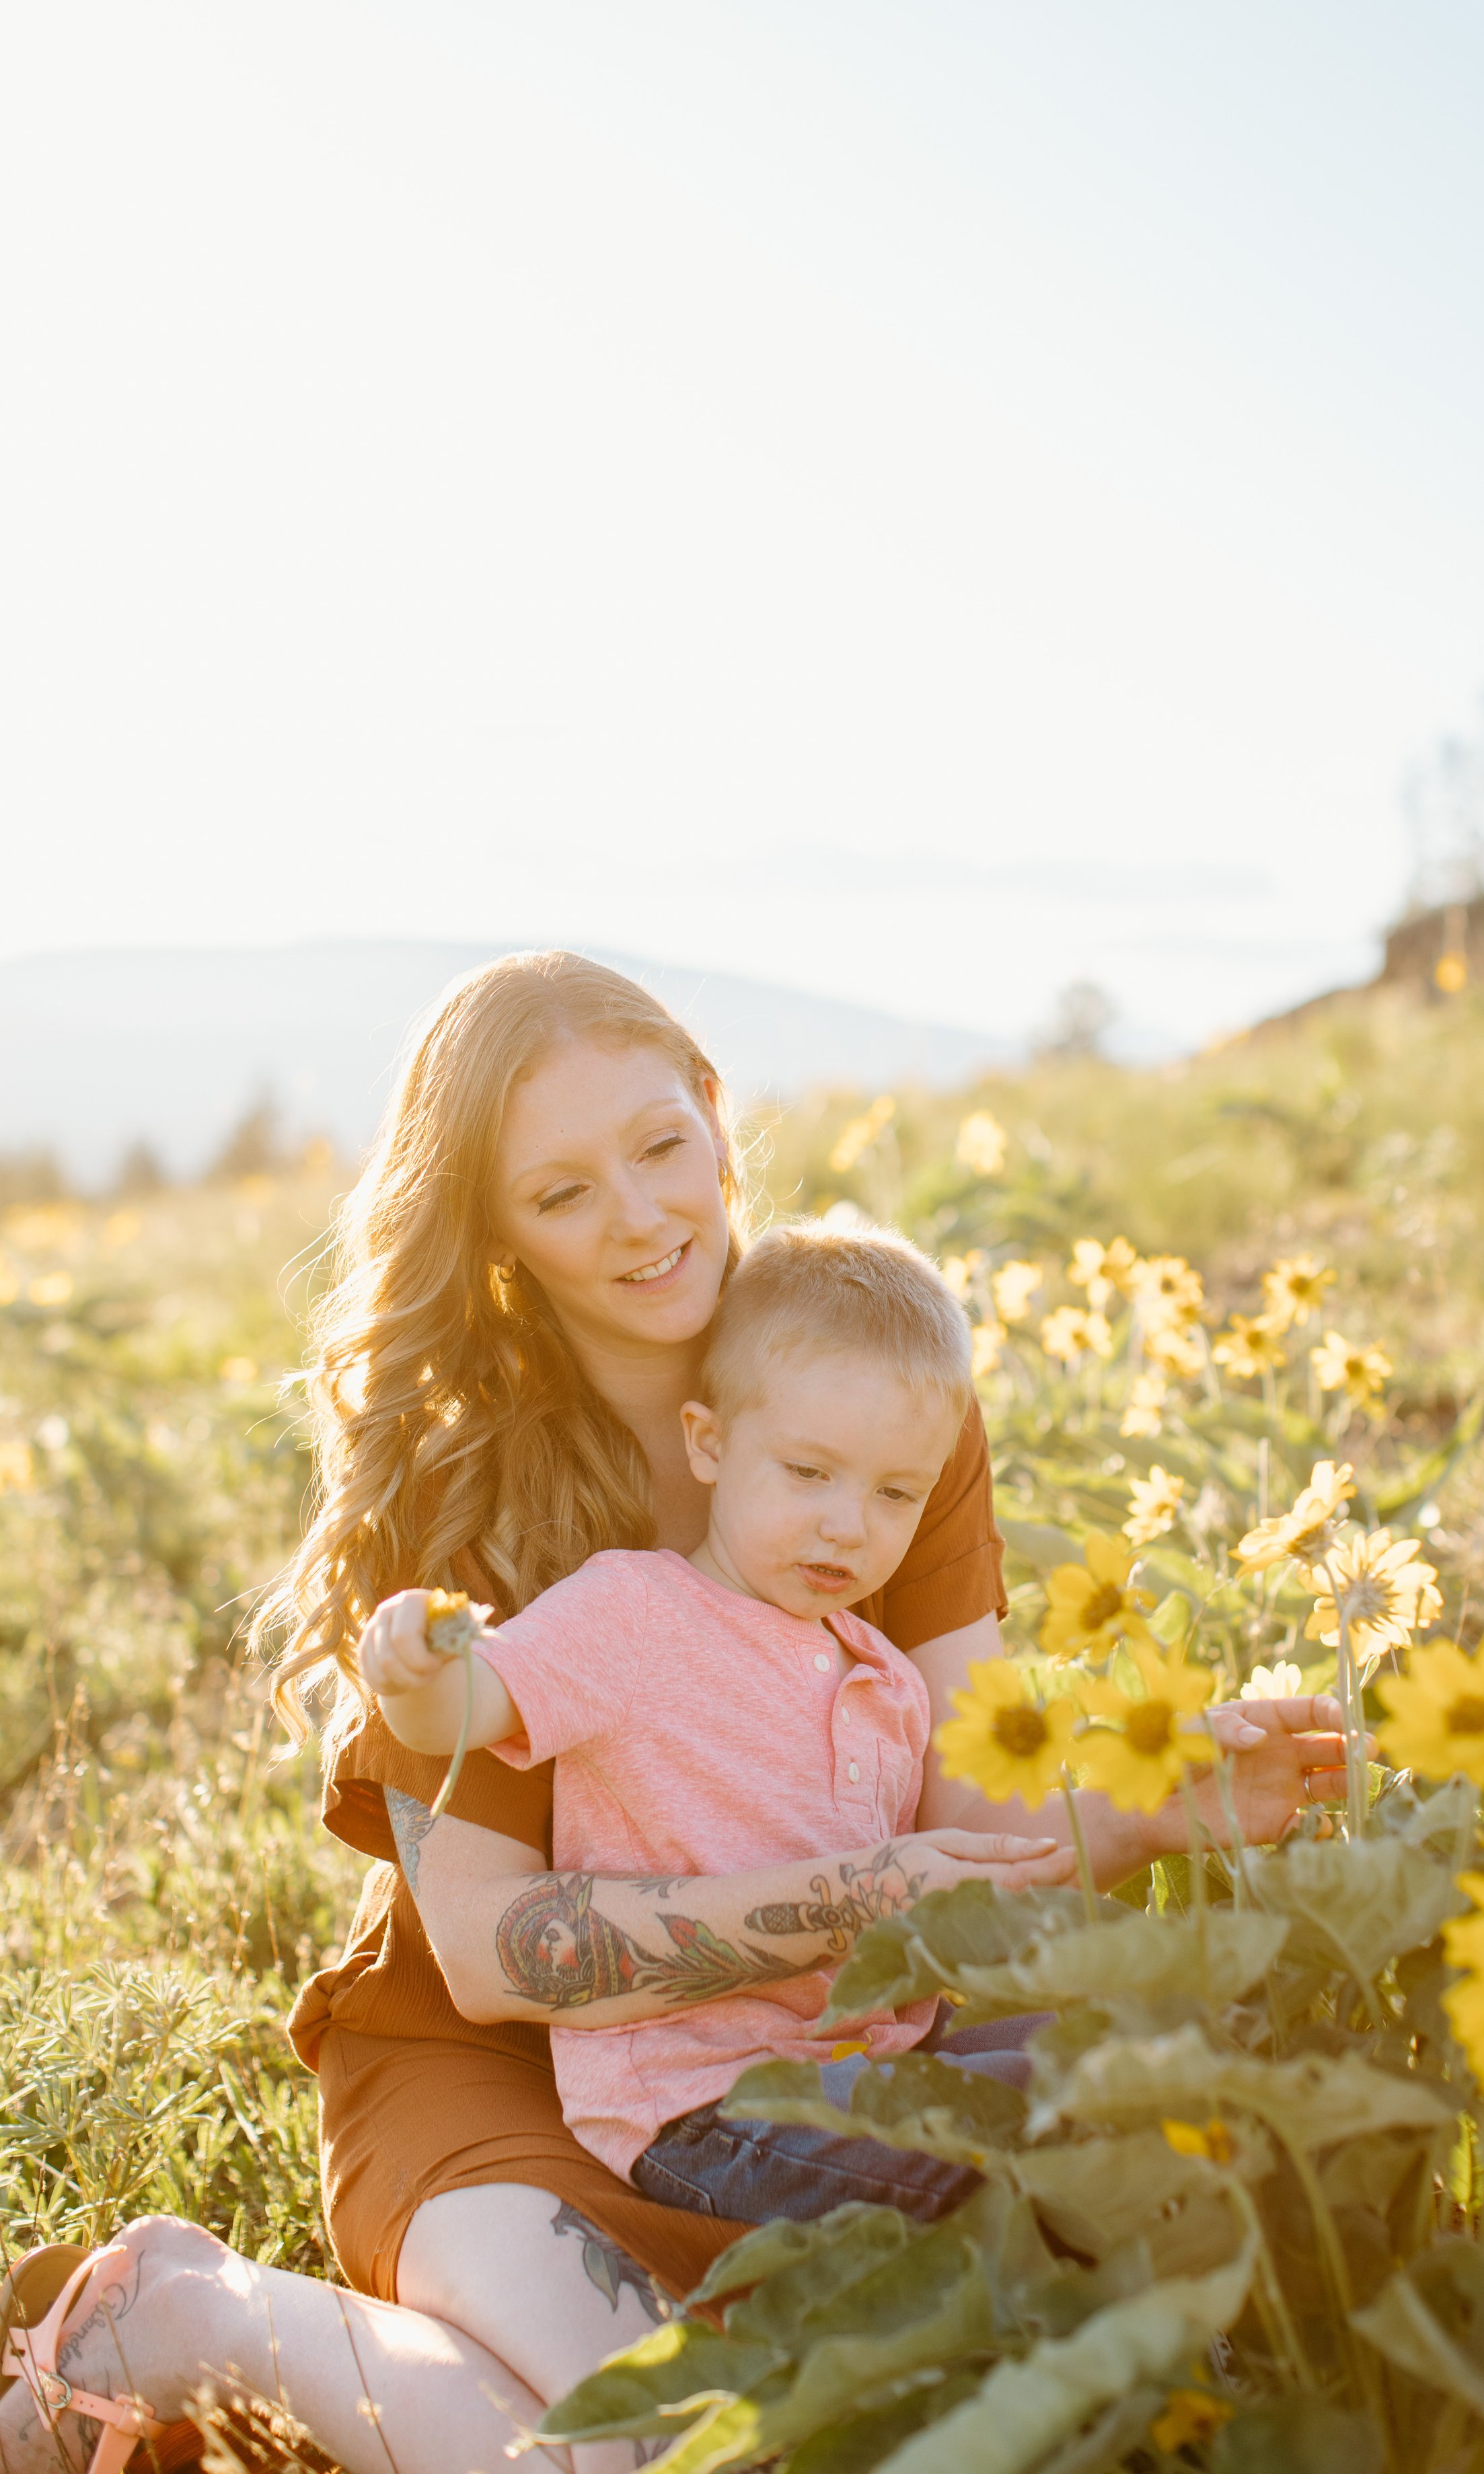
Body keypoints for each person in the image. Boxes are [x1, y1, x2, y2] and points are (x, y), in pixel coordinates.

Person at [0, 953, 1345, 2474]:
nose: (642, 1217)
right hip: (491, 2071)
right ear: (497, 1233)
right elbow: (498, 1957)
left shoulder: (869, 1391)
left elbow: (955, 1812)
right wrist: (860, 1894)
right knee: (658, 2458)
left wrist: (1162, 1800)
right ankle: (184, 2319)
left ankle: (314, 2372)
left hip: (796, 2056)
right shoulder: (462, 1489)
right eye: (562, 1194)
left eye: (658, 1147)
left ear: (714, 1115)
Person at [358, 1221, 1066, 2230]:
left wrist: (1175, 1812)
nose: (847, 1523)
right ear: (710, 1443)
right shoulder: (634, 1610)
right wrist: (415, 1672)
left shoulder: (883, 1680)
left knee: (1114, 2068)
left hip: (860, 2063)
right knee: (1017, 2156)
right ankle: (1140, 2353)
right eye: (808, 1472)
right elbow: (475, 1706)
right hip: (706, 2104)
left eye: (894, 1493)